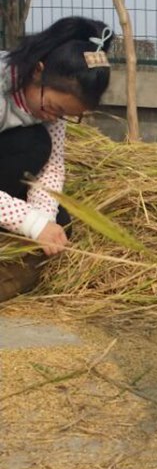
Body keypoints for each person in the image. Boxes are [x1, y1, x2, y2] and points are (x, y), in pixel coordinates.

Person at [0, 16, 113, 301]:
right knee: (30, 143)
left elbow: (51, 167)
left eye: (64, 114)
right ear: (38, 71)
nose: (53, 117)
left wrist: (44, 221)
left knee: (61, 223)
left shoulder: (50, 108)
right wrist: (30, 223)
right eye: (53, 107)